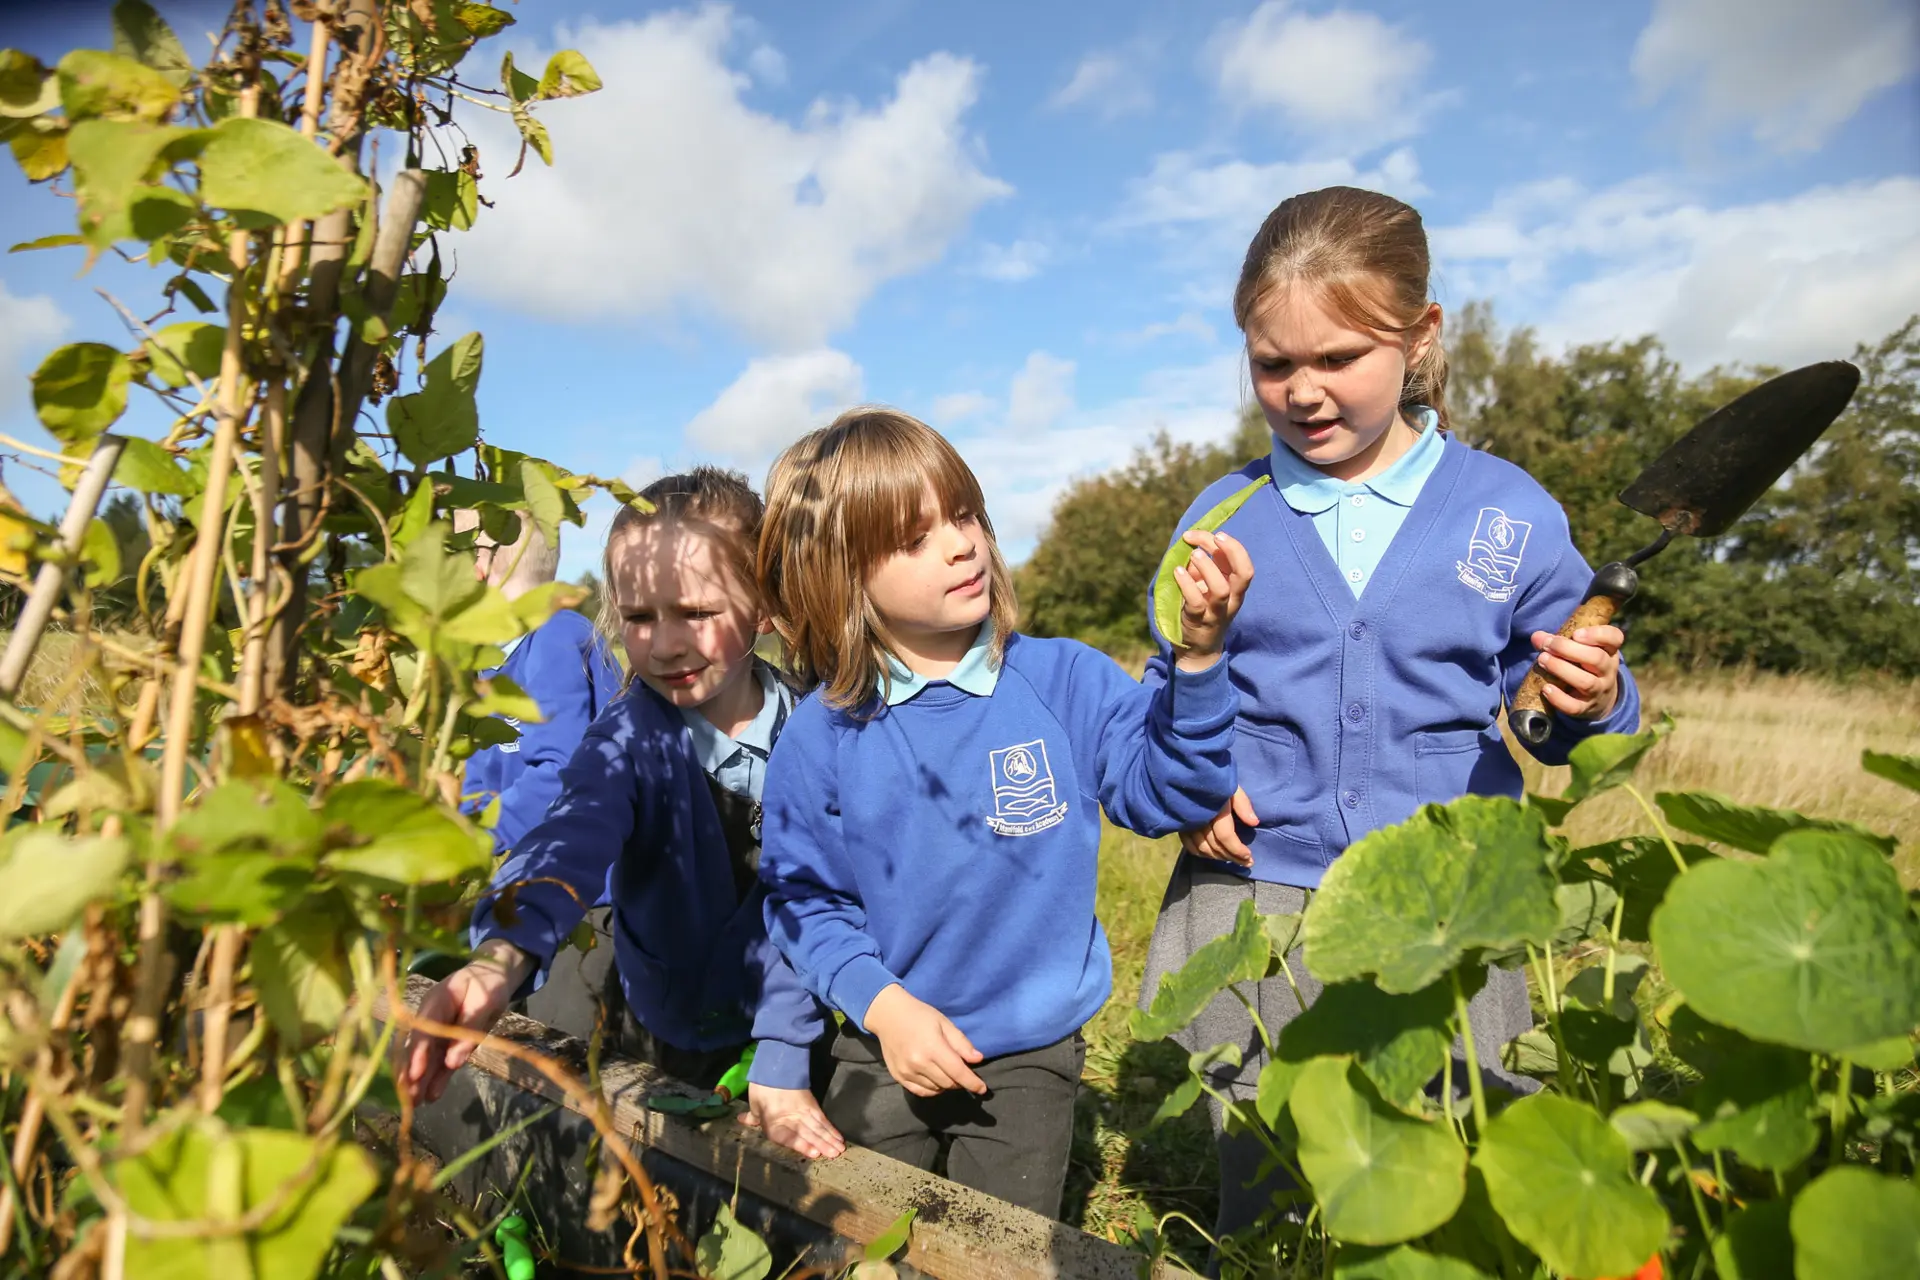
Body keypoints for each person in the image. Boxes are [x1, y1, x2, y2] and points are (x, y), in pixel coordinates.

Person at [1137, 186, 1643, 1242]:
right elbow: (1168, 688)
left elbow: (1543, 718)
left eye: (1339, 359)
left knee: (1445, 1167)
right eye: (1276, 365)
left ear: (1419, 338)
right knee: (1270, 1167)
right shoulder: (1220, 515)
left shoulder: (1507, 512)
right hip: (1262, 896)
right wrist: (1190, 793)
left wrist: (1584, 692)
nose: (1305, 391)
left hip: (1444, 901)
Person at [750, 408, 1251, 1218]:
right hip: (880, 1039)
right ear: (841, 577)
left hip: (1026, 1051)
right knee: (863, 1241)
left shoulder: (1065, 681)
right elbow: (805, 901)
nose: (960, 543)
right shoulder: (822, 734)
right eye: (914, 540)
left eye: (963, 515)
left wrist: (1196, 661)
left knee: (1002, 1245)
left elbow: (1170, 793)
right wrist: (884, 1007)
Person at [402, 468, 844, 1162]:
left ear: (762, 606)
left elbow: (818, 895)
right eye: (639, 618)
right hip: (659, 1020)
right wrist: (498, 958)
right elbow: (569, 836)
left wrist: (784, 1052)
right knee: (648, 1176)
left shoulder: (817, 732)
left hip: (787, 1024)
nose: (665, 643)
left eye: (694, 613)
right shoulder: (629, 738)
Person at [452, 511, 624, 1034]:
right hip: (533, 886)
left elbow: (562, 771)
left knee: (563, 1037)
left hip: (594, 897)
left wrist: (471, 837)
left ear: (483, 567)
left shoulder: (553, 637)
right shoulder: (493, 663)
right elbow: (483, 773)